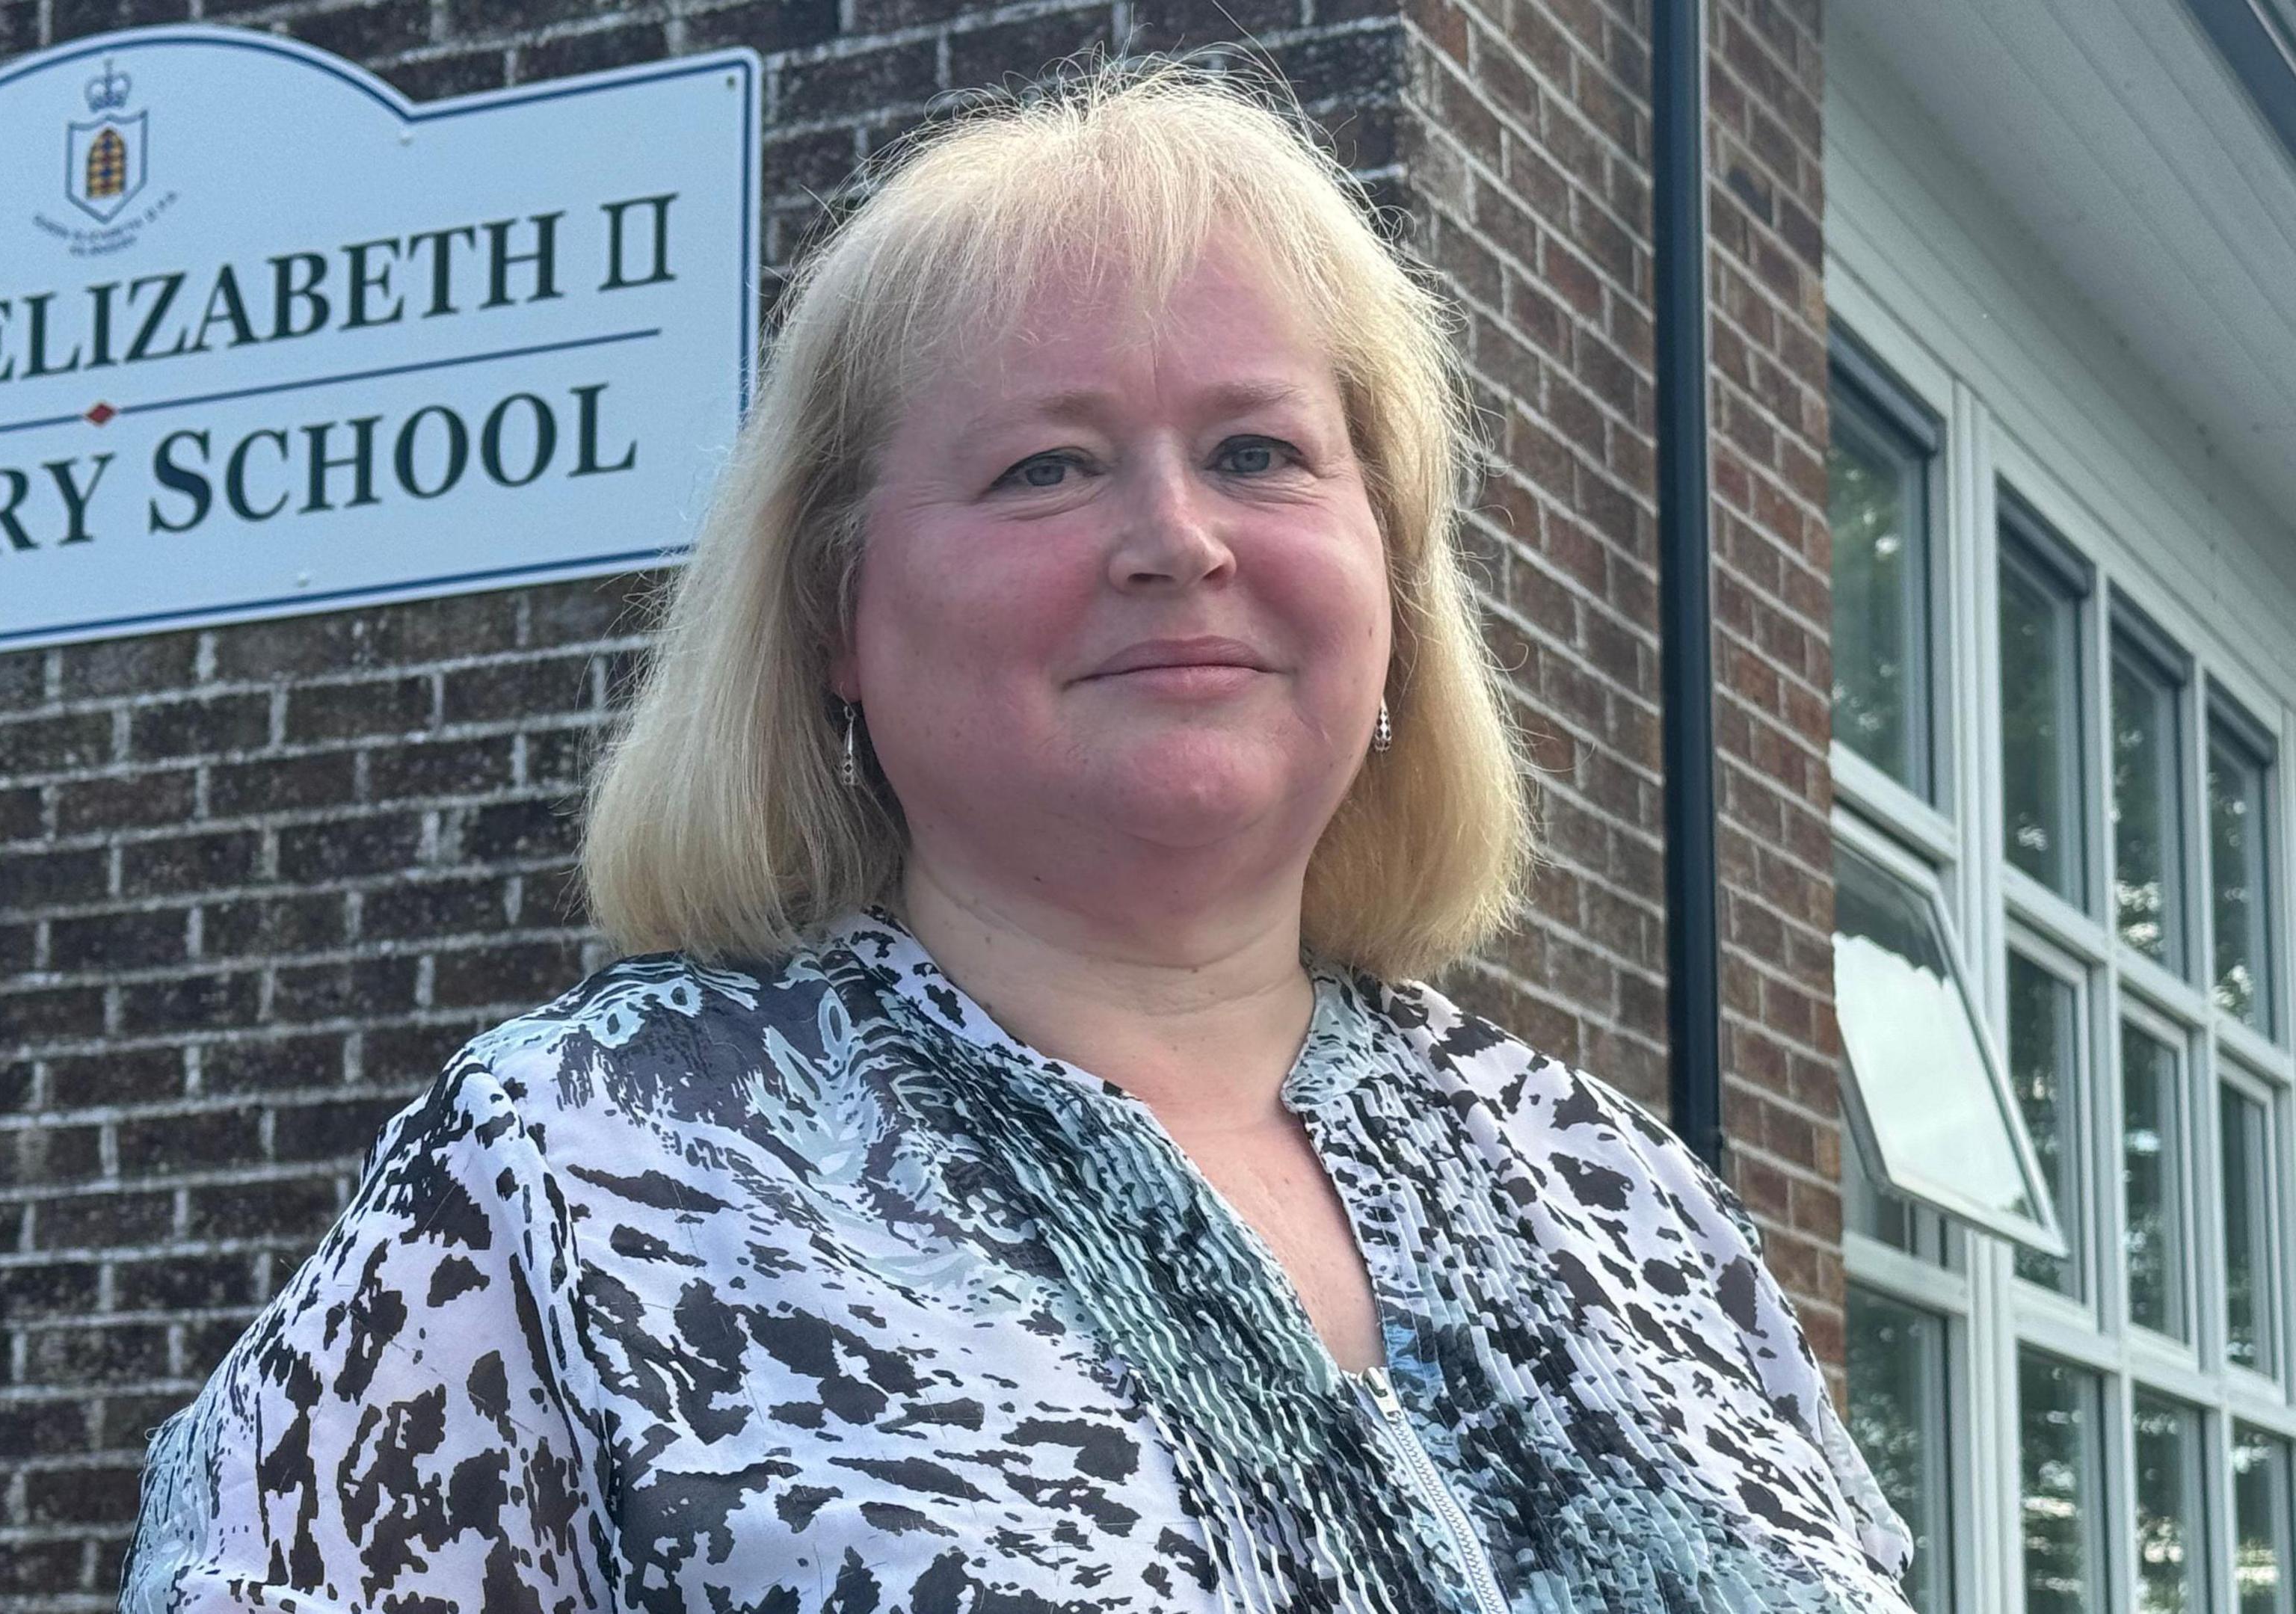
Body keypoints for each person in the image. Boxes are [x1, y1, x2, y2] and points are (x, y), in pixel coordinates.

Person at [117, 58, 1915, 1614]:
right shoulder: (572, 1171)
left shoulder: (1624, 1195)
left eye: (1262, 454)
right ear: (835, 611)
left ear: (1393, 590)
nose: (1177, 540)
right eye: (1046, 467)